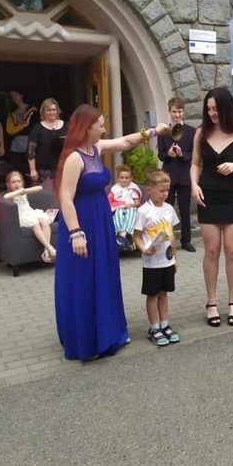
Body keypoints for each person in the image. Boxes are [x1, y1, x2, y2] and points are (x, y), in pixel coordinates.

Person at [54, 104, 169, 361]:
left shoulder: (96, 148)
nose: (104, 129)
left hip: (101, 220)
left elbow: (126, 142)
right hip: (82, 223)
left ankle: (109, 332)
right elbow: (65, 198)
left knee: (104, 274)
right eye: (100, 125)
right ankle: (87, 339)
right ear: (87, 128)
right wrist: (76, 233)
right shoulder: (74, 158)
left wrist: (153, 131)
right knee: (84, 278)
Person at [190, 87, 233, 328]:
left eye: (216, 109)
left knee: (232, 250)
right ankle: (211, 302)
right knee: (211, 250)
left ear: (226, 108)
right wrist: (193, 185)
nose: (212, 113)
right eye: (209, 109)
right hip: (208, 196)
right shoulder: (201, 132)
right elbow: (195, 164)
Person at [133, 169, 180, 346]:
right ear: (149, 190)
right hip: (151, 263)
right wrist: (144, 249)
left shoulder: (169, 209)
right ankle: (154, 328)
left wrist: (175, 259)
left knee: (164, 293)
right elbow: (136, 236)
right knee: (152, 294)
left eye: (167, 190)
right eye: (161, 190)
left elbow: (172, 234)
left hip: (167, 261)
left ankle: (165, 324)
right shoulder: (143, 211)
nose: (165, 194)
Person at [157, 97, 196, 252]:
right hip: (168, 176)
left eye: (180, 112)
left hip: (185, 175)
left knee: (185, 210)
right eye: (174, 112)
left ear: (183, 112)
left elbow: (194, 154)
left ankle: (186, 241)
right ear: (169, 112)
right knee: (166, 209)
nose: (177, 115)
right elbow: (160, 155)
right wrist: (167, 154)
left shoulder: (191, 131)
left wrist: (182, 154)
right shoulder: (163, 132)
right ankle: (166, 240)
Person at [3, 171, 57, 263]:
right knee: (35, 223)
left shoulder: (24, 192)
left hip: (30, 212)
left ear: (22, 182)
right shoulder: (12, 195)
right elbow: (5, 197)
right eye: (13, 182)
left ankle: (46, 251)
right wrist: (18, 192)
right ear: (8, 184)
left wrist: (24, 191)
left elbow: (39, 187)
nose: (16, 184)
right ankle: (50, 247)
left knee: (44, 221)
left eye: (19, 181)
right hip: (21, 216)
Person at [28, 98, 68, 191]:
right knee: (47, 196)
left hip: (64, 168)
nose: (52, 112)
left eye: (54, 110)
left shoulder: (66, 126)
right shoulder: (37, 128)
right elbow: (31, 151)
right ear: (43, 112)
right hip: (45, 171)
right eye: (48, 110)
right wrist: (32, 170)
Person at [107, 164, 142, 249]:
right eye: (122, 178)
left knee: (131, 212)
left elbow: (137, 202)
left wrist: (131, 205)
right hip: (119, 208)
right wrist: (120, 205)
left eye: (127, 178)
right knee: (118, 213)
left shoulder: (132, 189)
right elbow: (110, 201)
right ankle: (120, 233)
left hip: (130, 207)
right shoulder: (115, 189)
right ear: (118, 179)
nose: (124, 180)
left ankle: (123, 234)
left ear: (130, 178)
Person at [5, 90, 37, 177]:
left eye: (15, 95)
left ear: (21, 95)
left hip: (29, 144)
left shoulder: (33, 110)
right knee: (18, 172)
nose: (13, 98)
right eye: (11, 96)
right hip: (16, 147)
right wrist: (23, 126)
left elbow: (32, 127)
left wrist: (17, 129)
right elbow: (9, 130)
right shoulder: (11, 113)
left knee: (30, 172)